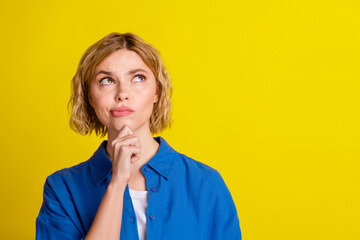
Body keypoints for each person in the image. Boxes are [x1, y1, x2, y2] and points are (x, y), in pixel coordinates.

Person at [35, 32, 242, 240]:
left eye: (138, 78)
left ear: (157, 92)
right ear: (89, 96)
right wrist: (117, 183)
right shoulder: (63, 190)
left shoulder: (206, 184)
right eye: (107, 80)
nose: (122, 93)